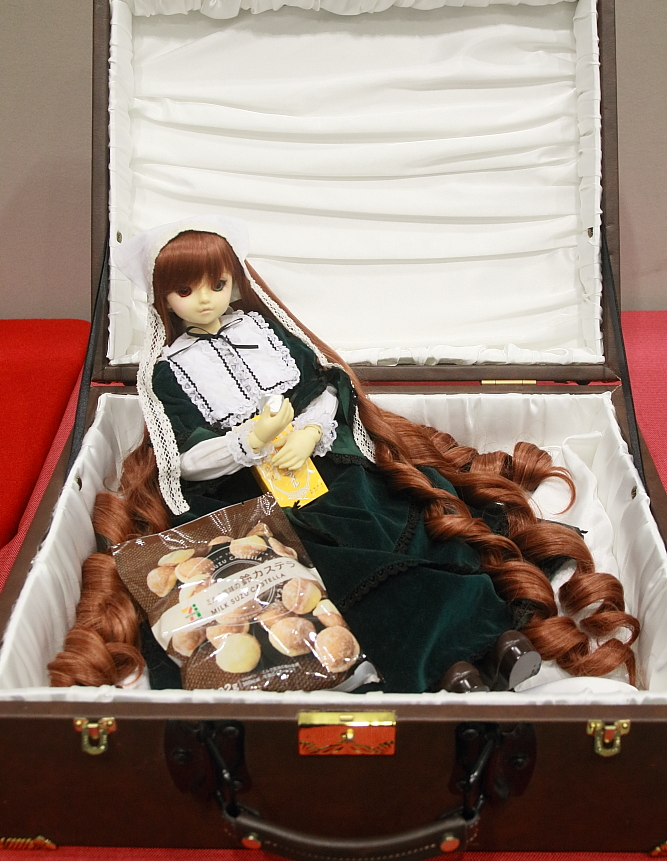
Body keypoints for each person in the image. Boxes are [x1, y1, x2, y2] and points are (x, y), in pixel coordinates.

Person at [49, 216, 639, 693]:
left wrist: (309, 432)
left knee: (401, 522)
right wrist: (247, 442)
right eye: (185, 291)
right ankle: (448, 664)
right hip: (254, 498)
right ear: (163, 298)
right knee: (333, 571)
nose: (204, 300)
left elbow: (326, 384)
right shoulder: (168, 372)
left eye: (217, 284)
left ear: (235, 281)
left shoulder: (265, 332)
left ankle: (494, 643)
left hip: (327, 466)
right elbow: (183, 457)